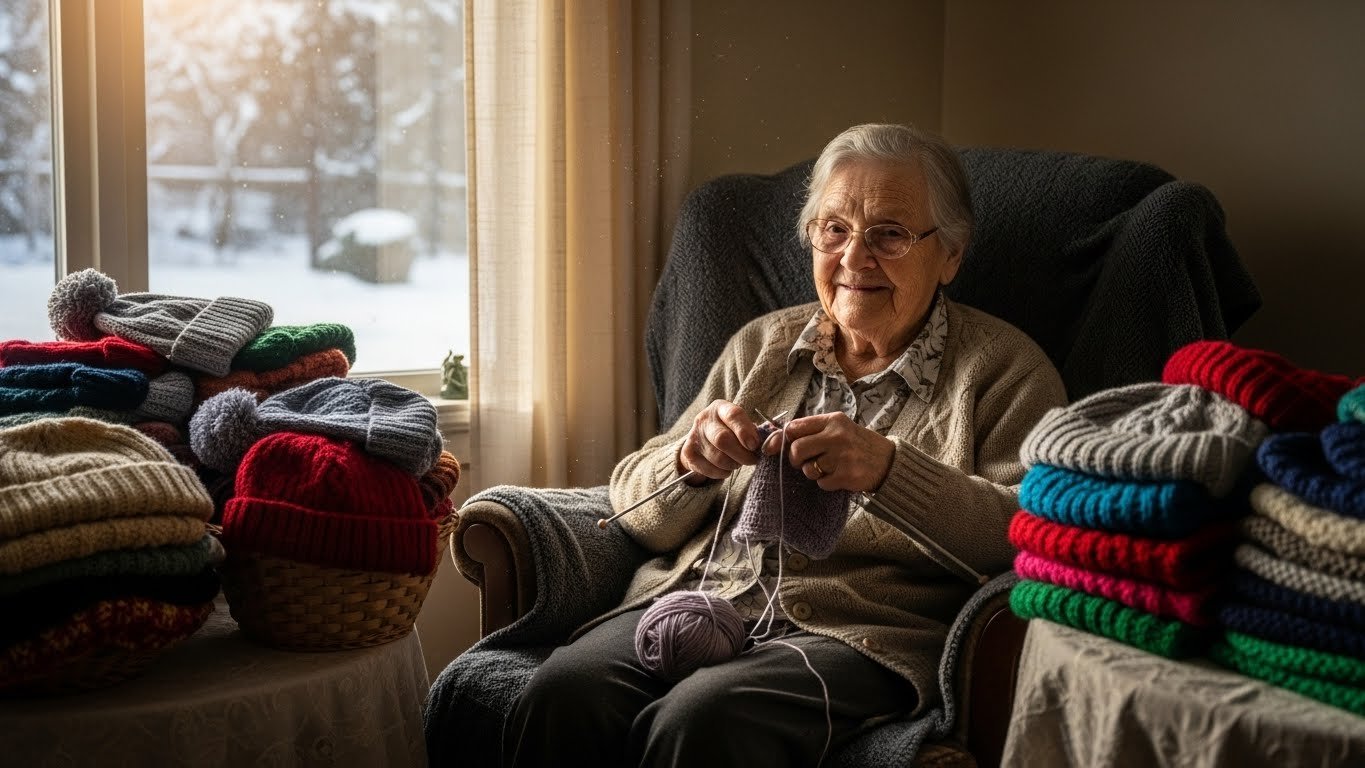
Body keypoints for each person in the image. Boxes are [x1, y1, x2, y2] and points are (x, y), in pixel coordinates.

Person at [502, 123, 1068, 767]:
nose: (855, 258)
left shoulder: (1004, 370)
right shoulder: (763, 346)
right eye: (834, 230)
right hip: (699, 604)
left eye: (890, 233)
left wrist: (889, 472)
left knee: (702, 720)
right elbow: (632, 507)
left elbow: (1037, 534)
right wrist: (690, 461)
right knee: (561, 693)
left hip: (861, 636)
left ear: (950, 255)